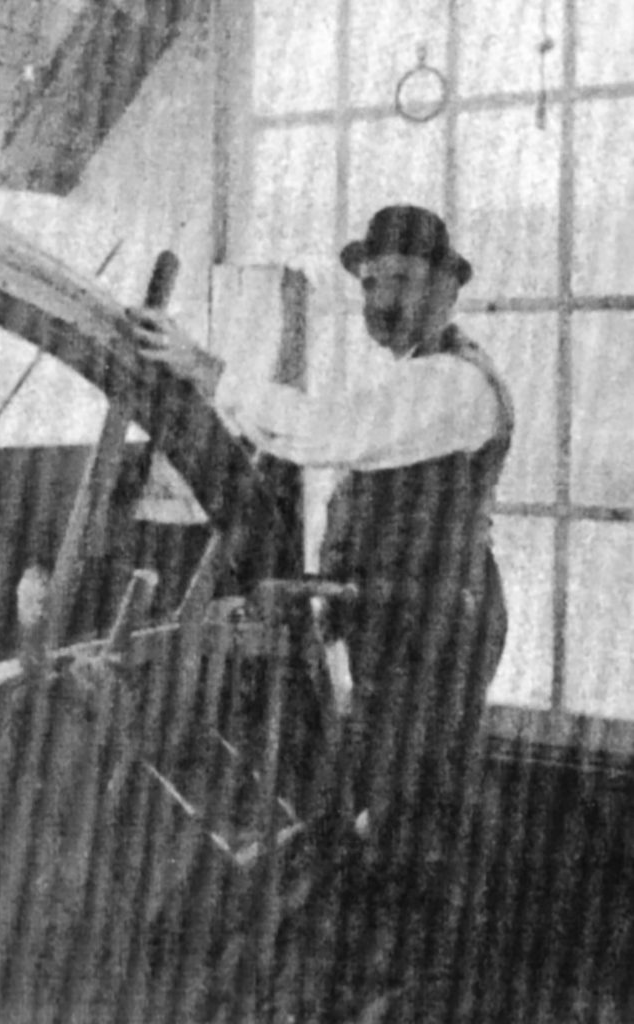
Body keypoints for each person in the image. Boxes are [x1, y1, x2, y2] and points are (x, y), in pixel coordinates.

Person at [133, 204, 514, 1007]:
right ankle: (390, 977)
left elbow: (326, 432)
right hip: (402, 621)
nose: (381, 301)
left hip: (438, 622)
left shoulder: (454, 383)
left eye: (403, 283)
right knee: (393, 796)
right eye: (370, 284)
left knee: (411, 805)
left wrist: (210, 373)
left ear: (447, 286)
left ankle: (415, 984)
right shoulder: (419, 375)